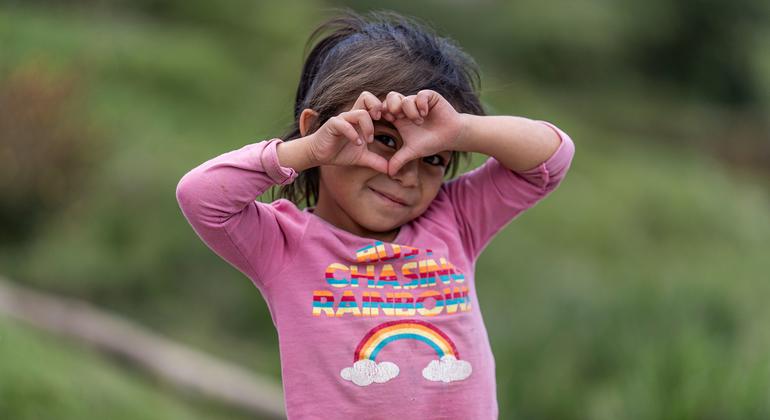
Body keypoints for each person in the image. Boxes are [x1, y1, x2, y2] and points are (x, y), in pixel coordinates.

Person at [176, 8, 575, 419]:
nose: (405, 171)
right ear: (321, 130)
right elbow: (201, 196)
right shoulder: (285, 244)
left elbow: (552, 158)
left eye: (433, 157)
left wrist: (461, 129)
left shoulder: (454, 220)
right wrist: (307, 149)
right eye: (384, 139)